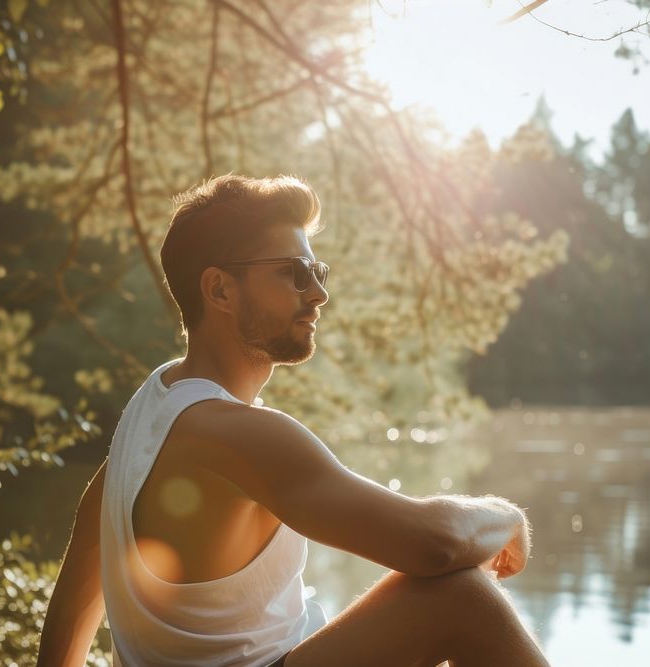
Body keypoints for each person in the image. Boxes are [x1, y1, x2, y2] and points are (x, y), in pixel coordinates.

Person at [36, 174, 549, 667]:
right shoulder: (235, 433)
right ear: (220, 291)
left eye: (318, 273)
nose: (319, 294)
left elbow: (73, 607)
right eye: (295, 273)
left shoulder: (150, 413)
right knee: (461, 596)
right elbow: (434, 546)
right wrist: (507, 518)